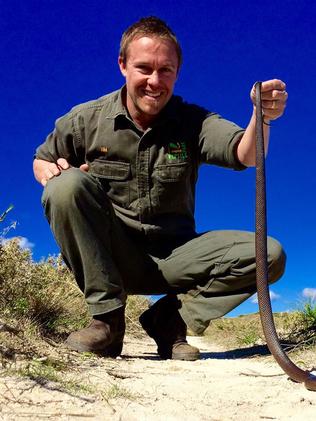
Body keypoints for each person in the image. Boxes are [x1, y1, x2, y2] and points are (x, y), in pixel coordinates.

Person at [33, 16, 287, 361]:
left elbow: (246, 153)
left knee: (268, 254)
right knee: (65, 187)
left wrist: (262, 116)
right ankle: (107, 321)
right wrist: (48, 170)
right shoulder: (85, 119)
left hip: (176, 256)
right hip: (114, 255)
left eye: (165, 70)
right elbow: (43, 159)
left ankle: (168, 321)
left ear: (177, 72)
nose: (155, 81)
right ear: (123, 65)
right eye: (144, 68)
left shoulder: (194, 121)